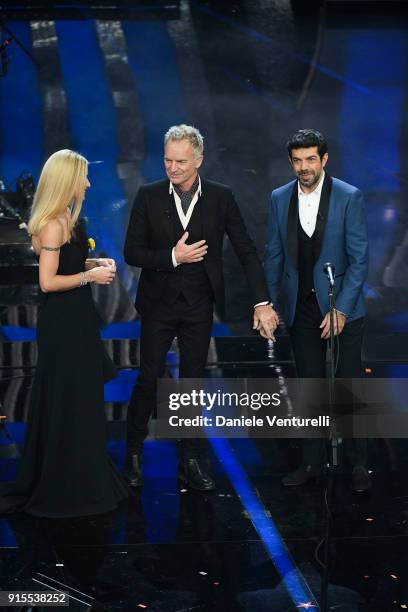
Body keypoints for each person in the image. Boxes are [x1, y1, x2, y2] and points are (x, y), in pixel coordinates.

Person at [124, 124, 279, 491]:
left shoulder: (220, 198)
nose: (172, 168)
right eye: (167, 160)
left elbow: (245, 249)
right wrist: (173, 257)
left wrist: (261, 301)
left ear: (198, 160)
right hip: (158, 304)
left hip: (198, 305)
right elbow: (132, 252)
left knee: (192, 384)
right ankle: (132, 455)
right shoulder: (148, 196)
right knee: (149, 379)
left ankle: (190, 460)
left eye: (180, 161)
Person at [0, 149, 129, 517]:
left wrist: (91, 262)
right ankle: (70, 482)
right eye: (83, 176)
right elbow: (47, 281)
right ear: (68, 180)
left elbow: (62, 264)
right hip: (64, 324)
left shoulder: (65, 219)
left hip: (77, 319)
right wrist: (90, 276)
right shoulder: (54, 222)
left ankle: (80, 473)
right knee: (71, 399)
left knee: (77, 399)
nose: (88, 183)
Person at [264, 129, 370, 493]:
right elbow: (273, 255)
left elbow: (359, 260)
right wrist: (267, 304)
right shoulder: (279, 198)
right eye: (297, 160)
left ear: (324, 159)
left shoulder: (348, 196)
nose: (304, 167)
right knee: (307, 386)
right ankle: (311, 460)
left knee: (347, 385)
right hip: (301, 308)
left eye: (311, 159)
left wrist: (341, 308)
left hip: (342, 307)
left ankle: (359, 464)